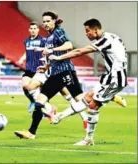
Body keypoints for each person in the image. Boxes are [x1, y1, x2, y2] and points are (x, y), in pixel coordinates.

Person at [49, 18, 128, 146]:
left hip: (114, 79)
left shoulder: (105, 40)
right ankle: (60, 116)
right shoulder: (111, 36)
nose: (86, 34)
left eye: (88, 31)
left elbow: (80, 51)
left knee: (93, 105)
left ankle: (88, 140)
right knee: (88, 97)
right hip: (108, 76)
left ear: (96, 30)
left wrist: (59, 57)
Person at [15, 11, 87, 139]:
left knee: (83, 101)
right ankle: (31, 133)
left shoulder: (58, 32)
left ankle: (107, 97)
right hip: (54, 74)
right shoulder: (48, 37)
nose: (45, 23)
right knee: (39, 102)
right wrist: (47, 66)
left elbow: (69, 45)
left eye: (48, 21)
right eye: (44, 21)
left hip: (66, 71)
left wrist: (52, 50)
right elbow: (53, 56)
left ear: (54, 21)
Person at [18, 22, 47, 112]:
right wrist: (22, 58)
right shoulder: (27, 41)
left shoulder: (43, 40)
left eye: (35, 28)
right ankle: (32, 101)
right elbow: (27, 52)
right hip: (29, 68)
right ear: (29, 30)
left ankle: (44, 109)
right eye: (31, 28)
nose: (33, 30)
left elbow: (48, 50)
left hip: (40, 68)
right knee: (25, 85)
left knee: (43, 92)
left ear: (38, 30)